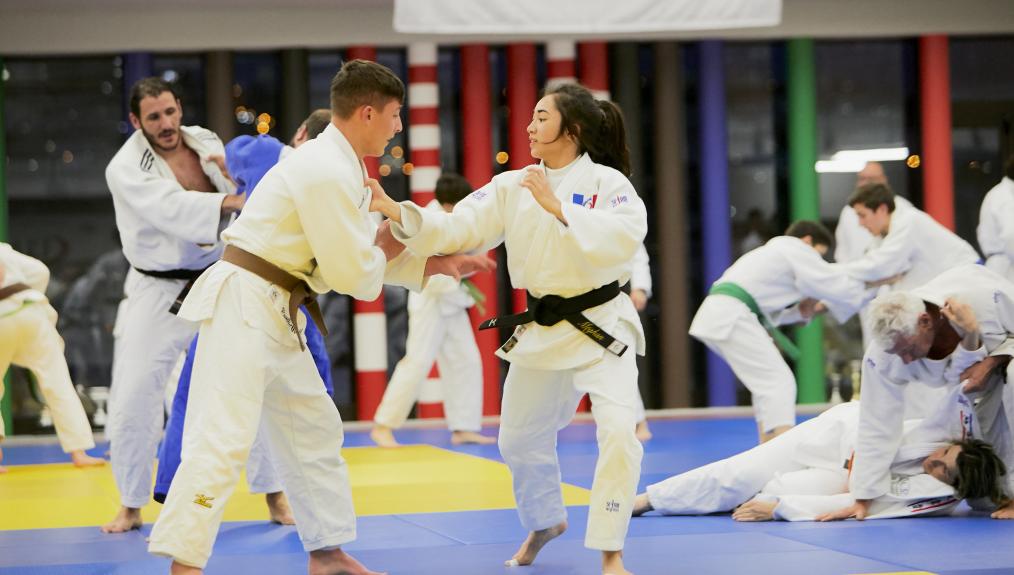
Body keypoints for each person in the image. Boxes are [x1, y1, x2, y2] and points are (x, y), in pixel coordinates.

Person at [146, 59, 493, 575]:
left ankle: (327, 552)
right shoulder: (325, 168)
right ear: (368, 113)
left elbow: (353, 253)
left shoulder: (343, 168)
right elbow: (351, 271)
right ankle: (185, 564)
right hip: (246, 303)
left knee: (313, 427)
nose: (398, 127)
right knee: (221, 435)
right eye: (395, 115)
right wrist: (389, 250)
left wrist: (429, 265)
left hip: (278, 306)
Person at [376, 82, 647, 575]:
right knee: (517, 440)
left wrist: (560, 207)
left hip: (603, 326)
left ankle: (611, 550)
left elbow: (627, 236)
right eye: (532, 117)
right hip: (544, 327)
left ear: (573, 130)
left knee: (618, 434)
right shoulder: (512, 185)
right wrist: (398, 212)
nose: (529, 127)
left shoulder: (608, 183)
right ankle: (545, 520)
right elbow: (458, 226)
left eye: (542, 118)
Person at [153, 109, 336, 523]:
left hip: (283, 300)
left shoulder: (319, 177)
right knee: (211, 401)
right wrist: (227, 165)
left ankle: (287, 499)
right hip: (252, 293)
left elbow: (235, 153)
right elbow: (237, 151)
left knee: (297, 404)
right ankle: (182, 503)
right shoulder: (279, 157)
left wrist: (228, 165)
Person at [102, 77, 244, 533]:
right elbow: (172, 208)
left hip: (216, 277)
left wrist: (242, 182)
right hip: (157, 290)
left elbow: (240, 179)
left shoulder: (204, 140)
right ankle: (130, 502)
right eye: (153, 117)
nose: (165, 124)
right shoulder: (125, 168)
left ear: (179, 107)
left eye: (169, 112)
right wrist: (233, 199)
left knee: (251, 382)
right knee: (134, 394)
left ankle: (274, 492)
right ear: (135, 121)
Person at [632, 386, 1007, 522]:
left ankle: (752, 499)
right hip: (832, 435)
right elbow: (966, 387)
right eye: (944, 453)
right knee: (742, 471)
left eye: (943, 470)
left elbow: (860, 506)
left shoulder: (935, 497)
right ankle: (650, 499)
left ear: (955, 486)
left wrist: (780, 508)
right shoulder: (947, 427)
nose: (934, 461)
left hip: (846, 479)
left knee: (773, 492)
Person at [820, 264, 1014, 522]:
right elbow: (877, 421)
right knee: (986, 499)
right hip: (974, 385)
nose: (906, 359)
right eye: (898, 353)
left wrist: (995, 360)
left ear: (925, 322)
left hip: (1005, 364)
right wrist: (864, 495)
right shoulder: (885, 353)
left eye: (909, 349)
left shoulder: (984, 297)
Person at [689, 221, 878, 444]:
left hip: (725, 314)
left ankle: (767, 444)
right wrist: (872, 282)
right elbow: (832, 283)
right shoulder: (791, 247)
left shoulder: (773, 256)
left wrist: (805, 310)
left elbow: (781, 310)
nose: (816, 262)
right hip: (732, 315)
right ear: (807, 241)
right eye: (818, 255)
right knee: (779, 382)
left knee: (767, 384)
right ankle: (782, 446)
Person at [370, 172, 495, 448]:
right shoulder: (427, 219)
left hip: (453, 300)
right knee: (417, 363)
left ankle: (463, 427)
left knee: (467, 361)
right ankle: (383, 425)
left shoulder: (455, 218)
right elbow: (420, 263)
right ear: (451, 202)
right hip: (429, 300)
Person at [0, 243, 105, 472]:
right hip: (30, 309)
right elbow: (40, 271)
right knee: (58, 382)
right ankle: (79, 452)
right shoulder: (2, 249)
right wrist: (32, 294)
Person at [842, 182, 980, 293]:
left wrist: (837, 271)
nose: (860, 223)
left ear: (882, 209)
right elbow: (884, 272)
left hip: (968, 279)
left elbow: (880, 266)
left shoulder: (908, 221)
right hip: (947, 284)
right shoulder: (883, 235)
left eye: (862, 215)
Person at [628, 243, 653, 442]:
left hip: (606, 298)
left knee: (616, 362)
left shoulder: (616, 221)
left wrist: (640, 287)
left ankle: (638, 421)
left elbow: (635, 248)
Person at [977, 152, 1014, 283]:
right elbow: (1011, 236)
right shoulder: (1005, 197)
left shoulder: (1000, 193)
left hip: (1000, 266)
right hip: (1006, 268)